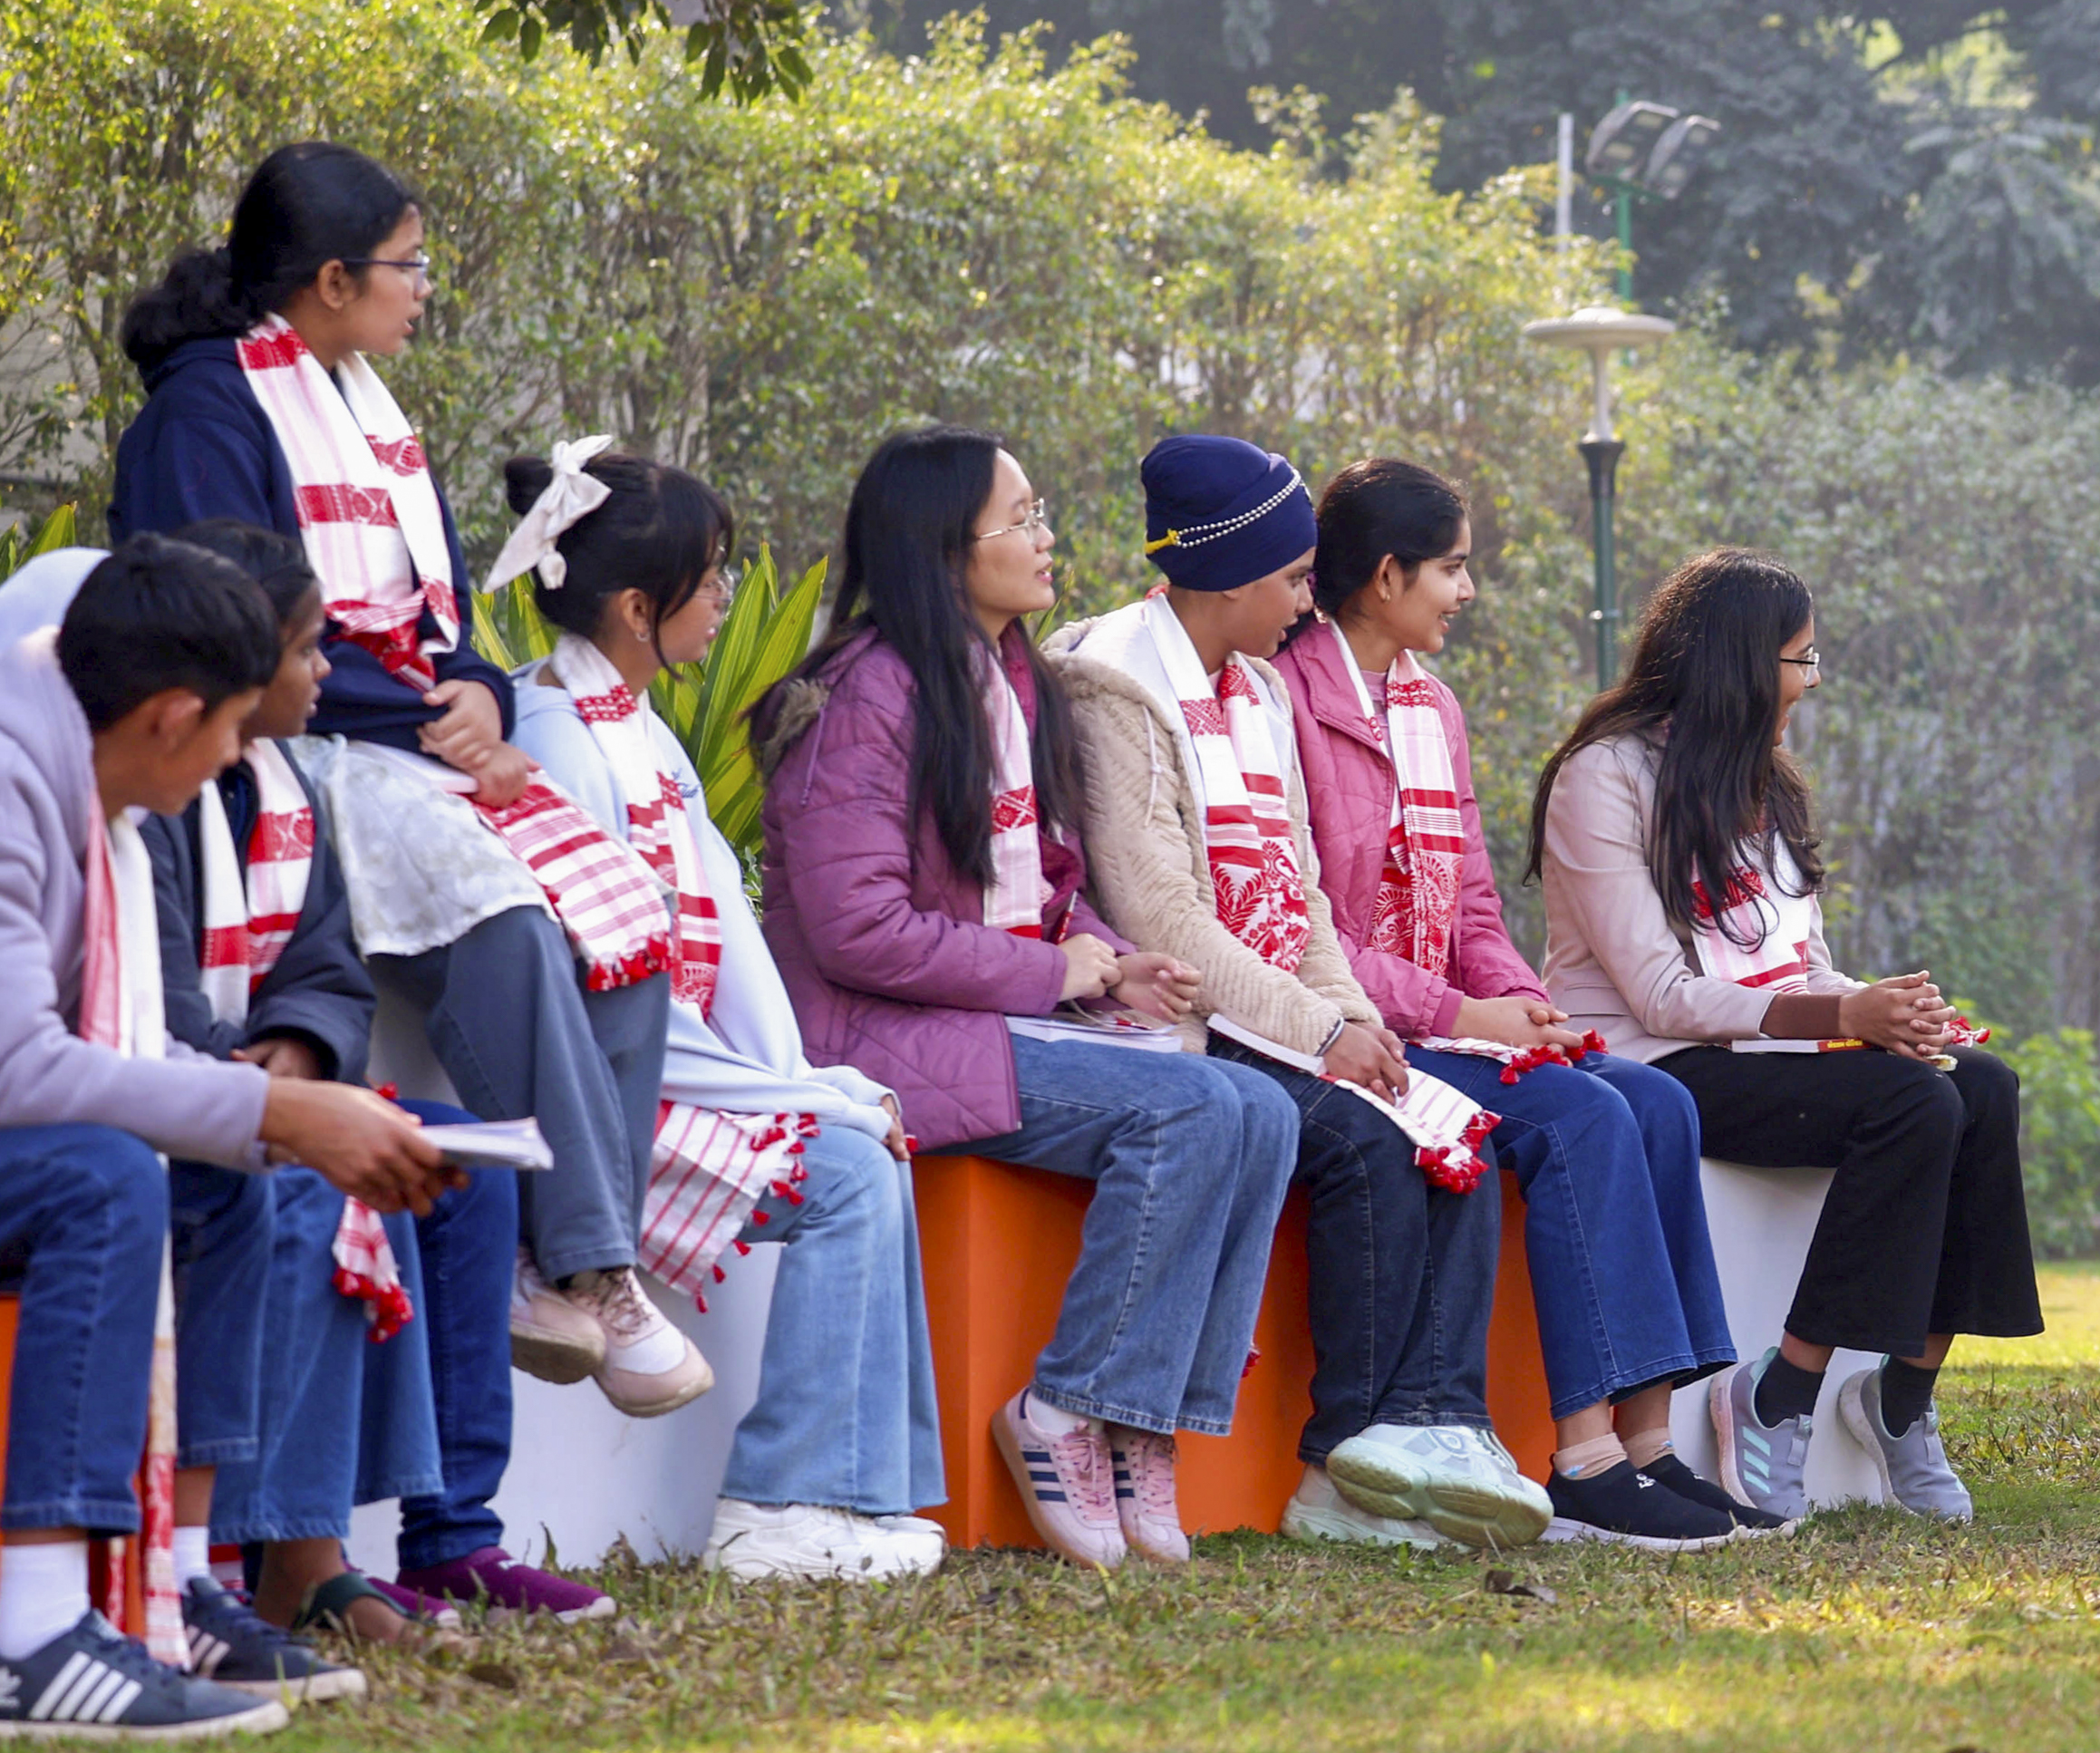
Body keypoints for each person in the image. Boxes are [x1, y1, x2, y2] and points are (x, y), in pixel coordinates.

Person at [104, 140, 703, 1438]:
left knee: (627, 915)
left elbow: (437, 616)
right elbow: (236, 628)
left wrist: (481, 688)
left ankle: (562, 1255)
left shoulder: (367, 406)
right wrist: (434, 716)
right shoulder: (209, 413)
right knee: (509, 918)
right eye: (408, 265)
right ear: (331, 279)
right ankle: (594, 1261)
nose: (423, 288)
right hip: (300, 745)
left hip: (413, 733)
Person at [753, 429, 1298, 1574]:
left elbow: (1047, 891)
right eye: (1025, 520)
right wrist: (1057, 975)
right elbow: (859, 931)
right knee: (1196, 1111)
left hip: (999, 1018)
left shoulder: (1016, 683)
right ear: (947, 549)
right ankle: (1065, 1405)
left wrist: (1106, 956)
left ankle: (1141, 1422)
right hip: (885, 1040)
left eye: (1043, 514)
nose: (1050, 538)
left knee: (1264, 1109)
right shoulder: (864, 693)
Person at [1054, 437, 1554, 1557]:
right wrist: (1324, 1030)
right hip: (1172, 1025)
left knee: (1448, 1125)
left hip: (1277, 1015)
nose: (1303, 601)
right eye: (1289, 580)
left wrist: (1359, 1027)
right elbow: (1164, 919)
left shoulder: (1259, 685)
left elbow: (1300, 894)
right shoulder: (1112, 683)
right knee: (1368, 1147)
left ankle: (1431, 1434)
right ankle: (1338, 1473)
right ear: (1230, 578)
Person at [0, 538, 453, 1741]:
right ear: (171, 716)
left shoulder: (83, 763)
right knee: (104, 1174)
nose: (237, 760)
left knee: (222, 1175)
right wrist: (280, 1107)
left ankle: (179, 1579)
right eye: (235, 728)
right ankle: (32, 1632)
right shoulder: (10, 776)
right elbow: (18, 1066)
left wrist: (275, 1118)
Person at [1275, 460, 1752, 1550]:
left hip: (1452, 1022)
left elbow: (1474, 903)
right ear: (1387, 576)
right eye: (1452, 567)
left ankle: (1649, 1444)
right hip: (1356, 1032)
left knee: (1658, 1104)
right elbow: (1312, 934)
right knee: (1586, 1117)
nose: (1466, 589)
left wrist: (1525, 1004)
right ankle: (1581, 1457)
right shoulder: (1287, 701)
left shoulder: (1431, 706)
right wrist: (1463, 1012)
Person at [493, 443, 948, 1582]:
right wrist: (799, 1098)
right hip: (603, 1117)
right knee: (843, 1172)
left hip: (677, 1081)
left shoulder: (640, 733)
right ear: (643, 608)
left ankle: (858, 1496)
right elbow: (607, 999)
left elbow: (727, 963)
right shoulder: (555, 742)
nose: (730, 598)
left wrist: (810, 1082)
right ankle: (780, 1503)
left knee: (864, 1146)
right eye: (716, 576)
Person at [1532, 548, 2043, 1526]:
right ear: (1739, 662)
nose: (1809, 685)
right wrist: (1841, 1020)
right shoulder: (1603, 778)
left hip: (1769, 1050)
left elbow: (1798, 965)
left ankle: (1900, 1398)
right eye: (1800, 661)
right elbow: (1661, 993)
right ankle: (1777, 1395)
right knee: (1910, 1101)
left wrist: (1886, 1008)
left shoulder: (1768, 783)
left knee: (1979, 1084)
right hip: (1658, 1065)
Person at [135, 520, 449, 1671]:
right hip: (172, 1100)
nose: (326, 673)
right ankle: (279, 1568)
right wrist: (263, 1090)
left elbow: (328, 965)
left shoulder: (283, 785)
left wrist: (300, 1062)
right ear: (236, 658)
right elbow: (143, 994)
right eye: (308, 649)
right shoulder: (147, 788)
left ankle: (448, 1530)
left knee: (441, 1165)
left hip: (262, 1077)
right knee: (318, 1186)